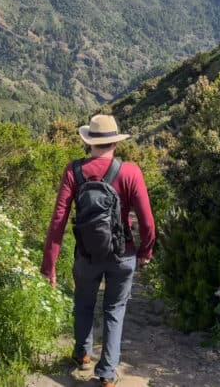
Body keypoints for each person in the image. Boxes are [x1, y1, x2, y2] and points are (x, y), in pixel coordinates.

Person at [41, 114, 156, 387]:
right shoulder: (130, 172)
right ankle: (106, 373)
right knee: (114, 309)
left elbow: (58, 220)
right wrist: (145, 252)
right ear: (116, 141)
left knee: (83, 304)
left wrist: (50, 265)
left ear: (89, 141)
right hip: (122, 253)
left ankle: (82, 354)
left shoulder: (74, 171)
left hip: (86, 254)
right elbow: (148, 221)